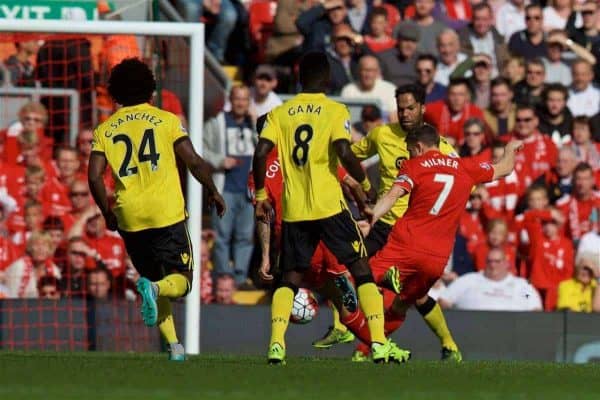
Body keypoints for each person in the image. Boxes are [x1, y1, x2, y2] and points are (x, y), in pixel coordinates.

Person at [252, 51, 399, 365]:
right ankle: (379, 344)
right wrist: (368, 186)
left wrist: (263, 192)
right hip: (329, 206)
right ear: (329, 78)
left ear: (300, 77)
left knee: (289, 278)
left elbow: (261, 151)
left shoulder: (280, 113)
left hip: (294, 210)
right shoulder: (334, 109)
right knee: (361, 270)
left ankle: (276, 345)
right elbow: (344, 151)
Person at [88, 58, 225, 361]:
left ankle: (174, 347)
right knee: (179, 281)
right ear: (151, 89)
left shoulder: (105, 129)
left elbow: (94, 176)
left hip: (130, 217)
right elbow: (194, 161)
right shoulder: (166, 120)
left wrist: (107, 212)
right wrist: (213, 191)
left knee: (155, 278)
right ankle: (156, 296)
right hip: (166, 214)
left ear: (115, 93)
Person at [366, 126, 525, 319]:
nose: (409, 156)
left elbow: (392, 196)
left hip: (406, 246)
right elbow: (505, 169)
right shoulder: (465, 167)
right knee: (401, 306)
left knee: (361, 279)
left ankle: (354, 323)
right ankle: (371, 348)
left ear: (418, 147)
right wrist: (510, 149)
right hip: (437, 259)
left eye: (410, 151)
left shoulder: (413, 166)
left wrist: (371, 217)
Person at [203, 85, 257, 286]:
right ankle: (224, 275)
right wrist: (219, 160)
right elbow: (199, 148)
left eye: (244, 99)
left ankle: (241, 277)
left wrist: (255, 122)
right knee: (222, 236)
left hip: (249, 190)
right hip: (224, 188)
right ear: (231, 100)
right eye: (237, 99)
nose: (241, 103)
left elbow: (266, 148)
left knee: (245, 237)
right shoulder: (217, 123)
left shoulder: (254, 123)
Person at [439, 247, 542, 311]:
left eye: (497, 261)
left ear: (506, 264)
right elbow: (443, 301)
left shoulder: (522, 286)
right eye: (490, 261)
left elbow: (536, 310)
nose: (493, 265)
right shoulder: (467, 281)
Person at [340, 55, 397, 121]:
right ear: (358, 71)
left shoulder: (390, 89)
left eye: (372, 70)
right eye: (365, 70)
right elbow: (343, 119)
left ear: (378, 72)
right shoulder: (348, 91)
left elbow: (394, 118)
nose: (368, 75)